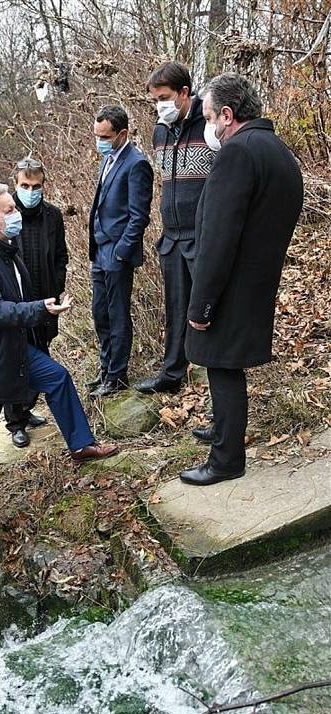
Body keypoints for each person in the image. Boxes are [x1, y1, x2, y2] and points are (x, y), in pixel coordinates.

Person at [0, 183, 118, 516]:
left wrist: (42, 306)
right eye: (9, 210)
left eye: (14, 207)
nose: (16, 214)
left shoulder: (4, 247)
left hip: (10, 347)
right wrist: (41, 309)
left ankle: (81, 445)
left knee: (57, 377)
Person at [180, 73, 303, 486]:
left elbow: (219, 235)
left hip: (230, 284)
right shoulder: (279, 152)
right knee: (226, 364)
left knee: (222, 366)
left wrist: (201, 304)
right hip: (258, 281)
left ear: (228, 115)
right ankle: (222, 429)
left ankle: (226, 459)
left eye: (210, 117)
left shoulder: (238, 153)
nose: (209, 127)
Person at [134, 61, 215, 396]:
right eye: (155, 99)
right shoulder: (159, 131)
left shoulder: (208, 126)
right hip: (172, 237)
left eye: (164, 97)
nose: (160, 106)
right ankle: (172, 374)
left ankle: (217, 388)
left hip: (202, 236)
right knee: (176, 310)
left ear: (185, 93)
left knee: (209, 313)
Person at [87, 105, 154, 398]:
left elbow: (139, 216)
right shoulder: (108, 160)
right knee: (100, 312)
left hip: (116, 254)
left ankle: (117, 376)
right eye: (96, 135)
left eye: (105, 136)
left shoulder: (136, 164)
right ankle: (105, 368)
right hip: (99, 250)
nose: (99, 141)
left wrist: (120, 252)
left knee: (117, 315)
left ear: (122, 133)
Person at [4, 157, 69, 448]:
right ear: (14, 185)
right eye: (25, 185)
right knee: (16, 360)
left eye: (36, 185)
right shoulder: (7, 214)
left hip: (45, 302)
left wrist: (56, 291)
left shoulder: (52, 216)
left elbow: (59, 257)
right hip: (16, 304)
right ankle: (15, 421)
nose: (31, 190)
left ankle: (27, 408)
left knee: (41, 352)